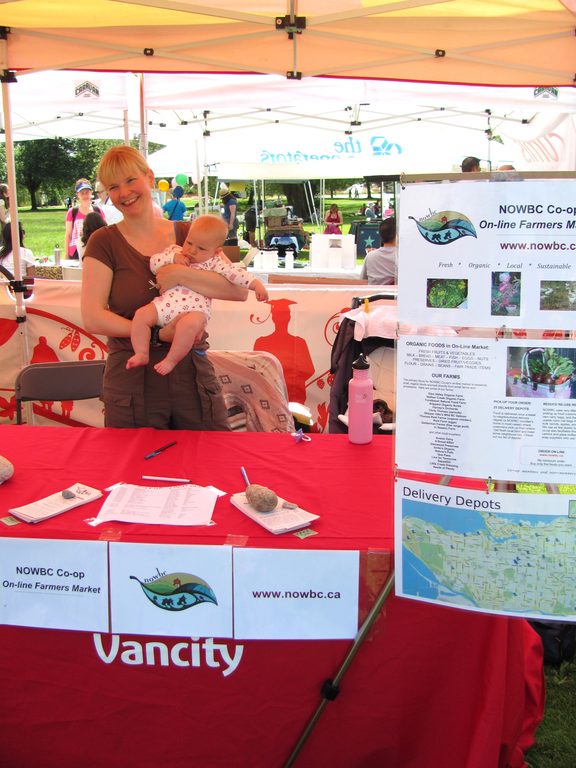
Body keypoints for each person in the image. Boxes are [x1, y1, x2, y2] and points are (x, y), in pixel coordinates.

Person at [81, 145, 248, 430]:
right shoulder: (104, 241)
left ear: (149, 177)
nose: (124, 193)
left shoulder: (189, 234)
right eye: (113, 186)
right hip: (133, 378)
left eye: (130, 180)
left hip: (192, 374)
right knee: (134, 469)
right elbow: (93, 317)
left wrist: (179, 276)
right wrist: (159, 333)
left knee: (210, 462)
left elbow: (238, 290)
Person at [127, 214, 268, 375]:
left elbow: (236, 274)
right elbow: (154, 263)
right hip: (163, 305)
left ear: (216, 251)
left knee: (189, 327)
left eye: (201, 248)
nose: (192, 250)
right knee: (141, 315)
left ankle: (171, 360)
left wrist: (256, 285)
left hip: (195, 311)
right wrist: (173, 258)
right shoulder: (175, 251)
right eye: (189, 242)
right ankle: (141, 353)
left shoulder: (215, 263)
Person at [65, 179, 105, 259]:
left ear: (91, 193)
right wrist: (67, 255)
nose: (85, 195)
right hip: (75, 252)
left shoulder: (98, 211)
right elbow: (68, 235)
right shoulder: (72, 212)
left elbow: (104, 232)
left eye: (87, 192)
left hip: (95, 250)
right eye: (82, 193)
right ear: (77, 194)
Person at [360, 217, 397, 285]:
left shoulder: (370, 256)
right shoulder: (402, 257)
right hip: (394, 294)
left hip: (373, 294)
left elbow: (363, 279)